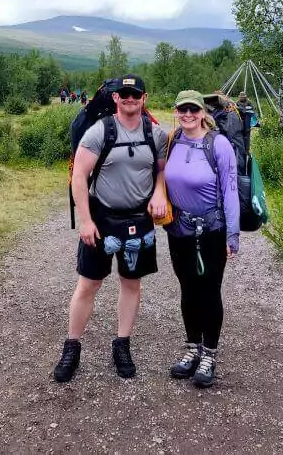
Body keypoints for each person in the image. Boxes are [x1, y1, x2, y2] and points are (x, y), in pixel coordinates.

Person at [53, 74, 169, 383]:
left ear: (144, 98)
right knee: (88, 284)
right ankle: (72, 347)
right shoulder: (98, 132)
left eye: (136, 94)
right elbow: (79, 176)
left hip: (139, 222)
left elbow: (161, 171)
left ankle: (122, 345)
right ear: (115, 98)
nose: (130, 98)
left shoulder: (155, 134)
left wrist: (159, 191)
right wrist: (86, 221)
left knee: (131, 284)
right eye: (124, 94)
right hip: (102, 219)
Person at [162, 90, 239, 388]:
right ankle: (192, 349)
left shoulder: (218, 144)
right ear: (176, 111)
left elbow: (230, 191)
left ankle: (209, 354)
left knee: (209, 290)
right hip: (178, 230)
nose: (188, 115)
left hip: (211, 230)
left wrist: (231, 235)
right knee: (187, 289)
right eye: (183, 109)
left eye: (194, 109)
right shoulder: (172, 141)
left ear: (203, 112)